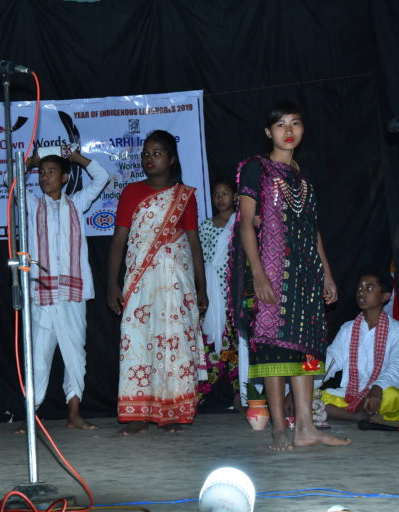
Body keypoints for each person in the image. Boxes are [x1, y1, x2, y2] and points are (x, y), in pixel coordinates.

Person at [228, 101, 350, 451]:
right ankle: (280, 428)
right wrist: (258, 274)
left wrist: (327, 275)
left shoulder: (302, 178)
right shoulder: (256, 168)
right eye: (281, 124)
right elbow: (246, 225)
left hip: (306, 274)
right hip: (272, 271)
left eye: (295, 123)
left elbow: (313, 230)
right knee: (274, 347)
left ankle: (306, 428)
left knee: (307, 348)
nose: (289, 130)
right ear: (269, 132)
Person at [106, 129, 208, 435]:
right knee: (137, 342)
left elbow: (194, 244)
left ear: (171, 159)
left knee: (174, 341)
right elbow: (119, 240)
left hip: (176, 283)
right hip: (140, 283)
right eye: (145, 154)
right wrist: (111, 284)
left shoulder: (185, 196)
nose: (149, 159)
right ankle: (137, 415)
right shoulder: (131, 192)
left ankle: (174, 411)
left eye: (156, 153)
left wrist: (202, 288)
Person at [17, 148, 109, 431]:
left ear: (65, 177)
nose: (44, 177)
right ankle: (30, 417)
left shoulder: (77, 203)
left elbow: (101, 177)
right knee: (38, 357)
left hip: (73, 293)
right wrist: (30, 162)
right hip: (43, 295)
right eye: (41, 173)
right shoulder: (33, 205)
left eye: (51, 172)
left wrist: (77, 158)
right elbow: (12, 182)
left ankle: (74, 414)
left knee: (75, 354)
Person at [322, 269, 399, 422]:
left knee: (392, 397)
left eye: (369, 288)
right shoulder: (348, 329)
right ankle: (358, 415)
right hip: (351, 393)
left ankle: (350, 412)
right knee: (308, 396)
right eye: (359, 287)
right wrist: (307, 384)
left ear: (385, 296)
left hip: (384, 391)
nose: (361, 292)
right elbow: (331, 361)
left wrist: (378, 387)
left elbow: (398, 365)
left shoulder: (398, 330)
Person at [197, 178, 240, 404]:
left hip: (237, 295)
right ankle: (196, 396)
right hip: (213, 295)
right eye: (216, 194)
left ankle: (244, 397)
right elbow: (200, 261)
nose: (220, 198)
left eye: (225, 193)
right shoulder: (205, 226)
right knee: (210, 347)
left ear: (235, 196)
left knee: (239, 348)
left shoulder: (242, 224)